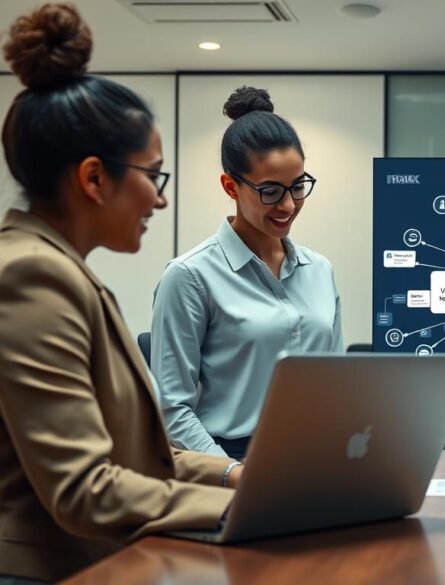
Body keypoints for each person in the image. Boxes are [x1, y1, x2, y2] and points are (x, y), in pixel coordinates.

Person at [0, 4, 239, 582]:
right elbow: (85, 490)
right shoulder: (31, 277)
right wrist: (246, 505)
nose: (160, 200)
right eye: (152, 175)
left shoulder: (56, 268)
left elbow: (136, 456)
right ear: (93, 178)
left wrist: (237, 476)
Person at [151, 86, 342, 460]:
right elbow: (171, 410)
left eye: (298, 186)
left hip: (318, 460)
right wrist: (233, 475)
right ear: (230, 186)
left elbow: (334, 388)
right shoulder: (189, 276)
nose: (288, 204)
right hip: (230, 464)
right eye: (270, 191)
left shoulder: (320, 270)